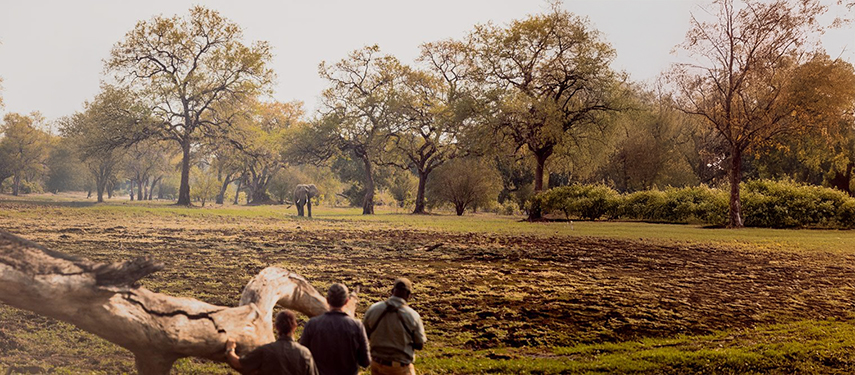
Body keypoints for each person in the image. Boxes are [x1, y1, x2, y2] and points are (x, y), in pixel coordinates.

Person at [299, 283, 371, 375]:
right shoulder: (357, 326)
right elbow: (365, 362)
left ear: (327, 300)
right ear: (346, 301)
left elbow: (302, 357)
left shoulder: (312, 324)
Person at [362, 278, 426, 375]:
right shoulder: (413, 315)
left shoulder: (373, 309)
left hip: (376, 364)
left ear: (392, 291)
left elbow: (364, 335)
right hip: (399, 367)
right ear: (409, 295)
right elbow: (419, 344)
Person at [225, 310, 319, 375]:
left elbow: (239, 364)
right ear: (295, 326)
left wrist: (230, 349)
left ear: (276, 327)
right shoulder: (305, 354)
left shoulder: (265, 351)